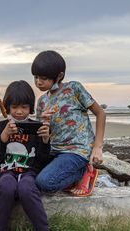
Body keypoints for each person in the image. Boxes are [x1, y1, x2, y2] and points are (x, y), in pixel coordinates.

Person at [31, 50, 106, 196]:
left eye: (44, 78)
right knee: (29, 175)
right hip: (53, 151)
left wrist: (97, 147)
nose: (38, 82)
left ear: (59, 76)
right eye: (36, 77)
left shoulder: (73, 89)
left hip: (76, 150)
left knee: (44, 183)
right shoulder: (41, 102)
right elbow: (44, 135)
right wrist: (43, 122)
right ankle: (70, 177)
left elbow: (100, 113)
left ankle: (84, 171)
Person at [0, 80, 52, 231]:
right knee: (6, 186)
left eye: (24, 107)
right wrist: (4, 136)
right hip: (7, 171)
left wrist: (45, 140)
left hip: (28, 173)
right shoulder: (1, 127)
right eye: (14, 107)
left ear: (30, 107)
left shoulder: (36, 128)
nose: (19, 112)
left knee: (26, 187)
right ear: (7, 107)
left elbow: (42, 161)